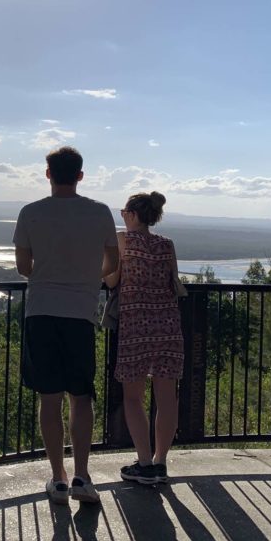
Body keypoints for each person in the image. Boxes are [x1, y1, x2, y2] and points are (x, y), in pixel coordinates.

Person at [13, 146, 119, 504]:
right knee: (81, 395)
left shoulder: (31, 213)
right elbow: (111, 263)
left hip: (41, 310)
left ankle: (57, 478)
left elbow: (24, 267)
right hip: (80, 313)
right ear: (80, 175)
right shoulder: (100, 212)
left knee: (49, 397)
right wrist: (85, 277)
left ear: (47, 174)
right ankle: (82, 477)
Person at [104, 191, 185, 485]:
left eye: (125, 211)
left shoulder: (122, 239)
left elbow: (112, 279)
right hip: (168, 326)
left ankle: (143, 463)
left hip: (136, 326)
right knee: (167, 398)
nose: (122, 215)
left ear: (133, 214)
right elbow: (173, 281)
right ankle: (161, 462)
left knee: (133, 397)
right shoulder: (167, 245)